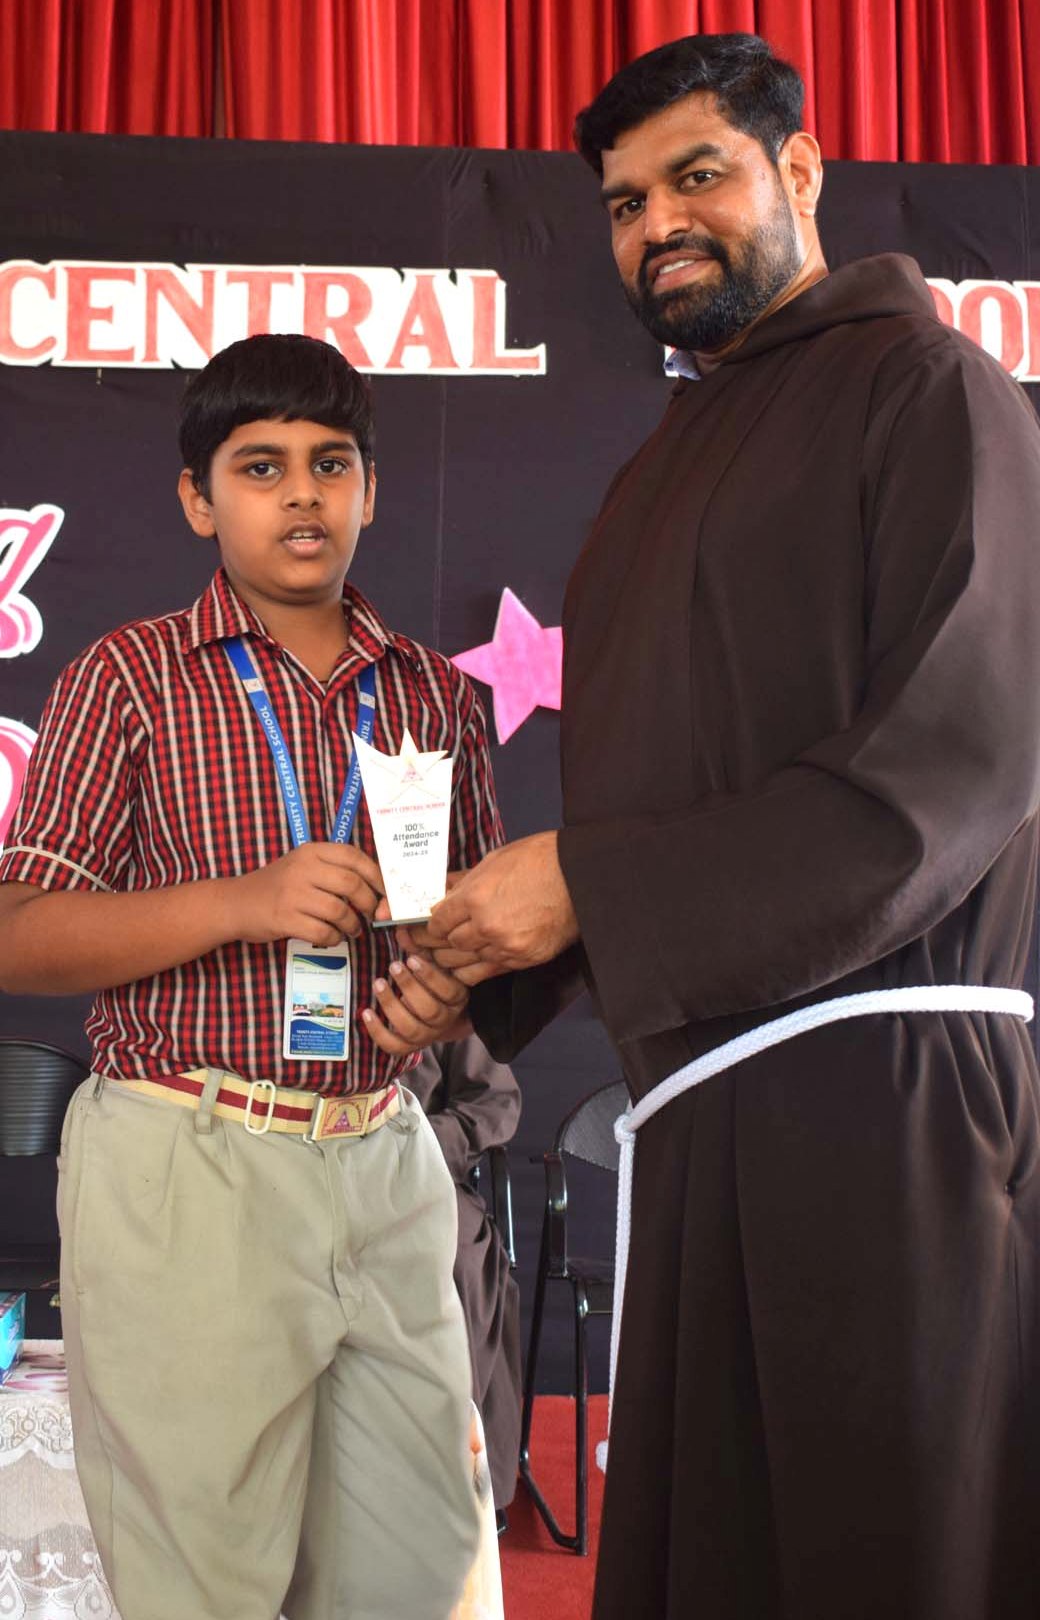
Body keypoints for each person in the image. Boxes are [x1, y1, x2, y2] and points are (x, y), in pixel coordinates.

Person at [404, 33, 1040, 1620]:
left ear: (801, 169)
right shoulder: (654, 479)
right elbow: (656, 810)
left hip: (888, 1113)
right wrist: (480, 973)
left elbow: (947, 779)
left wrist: (586, 889)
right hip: (699, 1120)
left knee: (879, 1564)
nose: (658, 226)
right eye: (625, 204)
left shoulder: (931, 390)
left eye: (698, 177)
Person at [0, 333, 503, 1620]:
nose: (301, 495)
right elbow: (18, 931)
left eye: (330, 464)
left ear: (371, 488)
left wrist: (449, 989)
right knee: (200, 1586)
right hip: (190, 1154)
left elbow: (473, 927)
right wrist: (243, 902)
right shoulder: (129, 678)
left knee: (415, 1573)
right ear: (197, 498)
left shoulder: (435, 696)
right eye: (260, 467)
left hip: (382, 1153)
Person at [408, 1035, 522, 1518]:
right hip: (298, 1173)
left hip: (419, 1176)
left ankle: (458, 1483)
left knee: (458, 1257)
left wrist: (413, 1141)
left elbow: (495, 1099)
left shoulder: (436, 995)